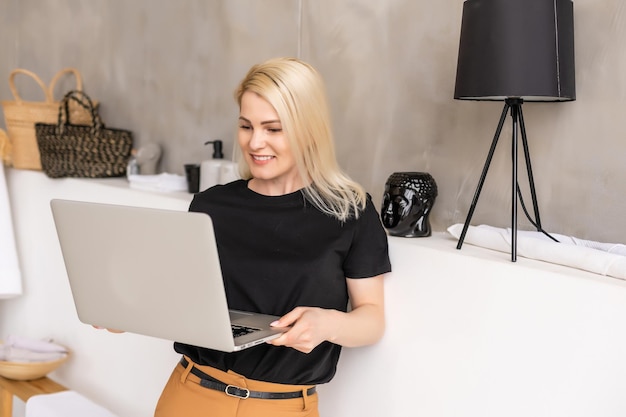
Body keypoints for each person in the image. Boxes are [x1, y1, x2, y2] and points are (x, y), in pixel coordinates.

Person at [101, 57, 391, 417]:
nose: (255, 142)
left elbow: (372, 319)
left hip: (283, 408)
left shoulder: (350, 211)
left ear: (309, 129)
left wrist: (327, 324)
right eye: (246, 126)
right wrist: (125, 310)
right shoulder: (211, 205)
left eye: (273, 129)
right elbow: (183, 299)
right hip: (190, 396)